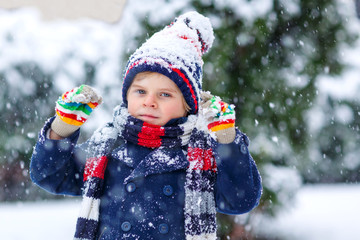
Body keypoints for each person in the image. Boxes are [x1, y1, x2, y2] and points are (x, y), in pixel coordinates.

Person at [30, 11, 262, 240]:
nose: (149, 102)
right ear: (127, 95)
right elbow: (50, 176)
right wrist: (62, 128)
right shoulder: (107, 147)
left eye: (164, 94)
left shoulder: (199, 156)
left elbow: (240, 200)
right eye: (140, 91)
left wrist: (226, 141)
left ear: (188, 106)